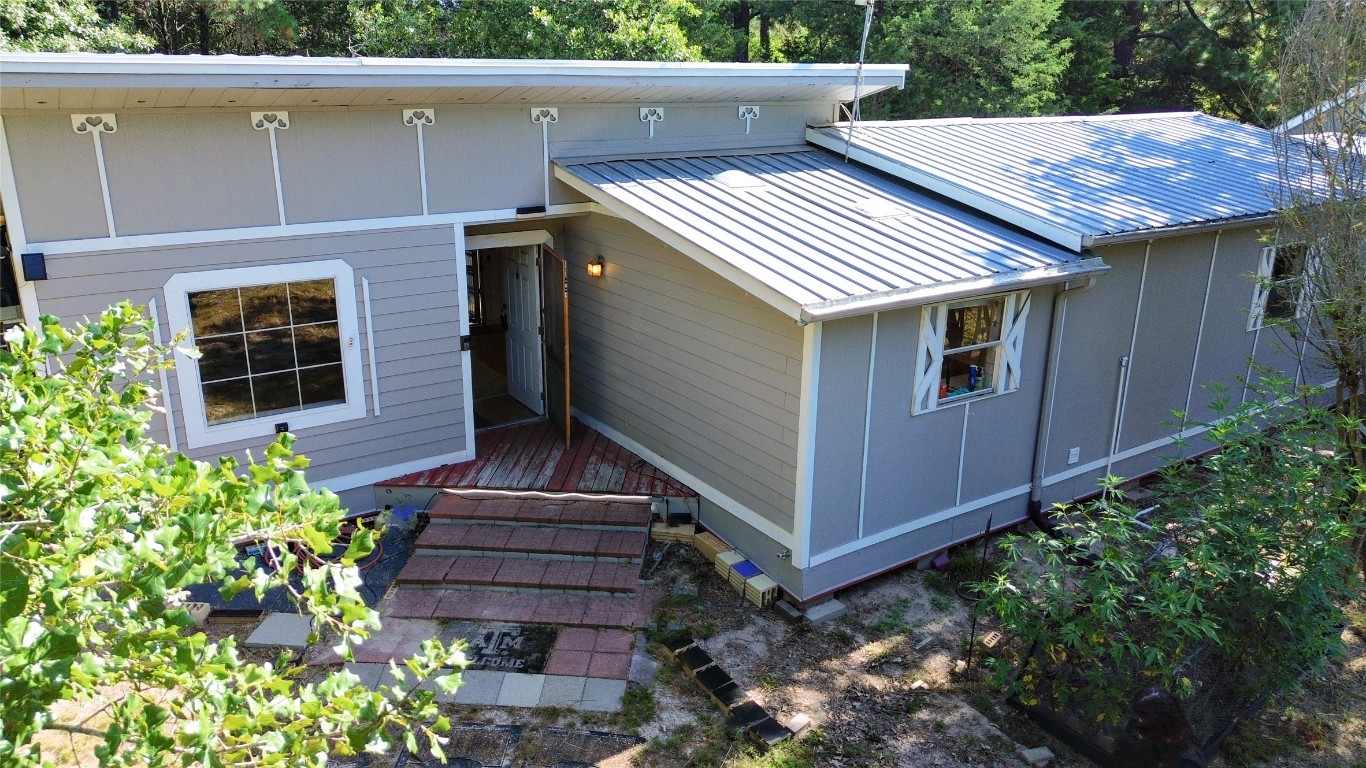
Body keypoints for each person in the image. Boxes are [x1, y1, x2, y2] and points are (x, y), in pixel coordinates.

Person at [1109, 687, 1206, 768]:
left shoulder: (1186, 761)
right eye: (1138, 717)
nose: (1139, 723)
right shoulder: (1146, 734)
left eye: (1142, 718)